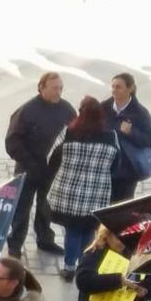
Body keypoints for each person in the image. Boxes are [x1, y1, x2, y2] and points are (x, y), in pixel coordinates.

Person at [47, 96, 122, 278]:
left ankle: (69, 267)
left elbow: (51, 158)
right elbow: (117, 165)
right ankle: (83, 262)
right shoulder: (111, 136)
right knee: (89, 229)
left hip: (68, 192)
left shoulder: (68, 133)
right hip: (96, 193)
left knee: (72, 230)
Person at [5, 73, 76, 258]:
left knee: (46, 206)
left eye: (60, 88)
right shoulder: (27, 111)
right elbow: (13, 142)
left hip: (52, 170)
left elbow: (74, 135)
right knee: (22, 208)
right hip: (28, 169)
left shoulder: (66, 110)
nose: (58, 92)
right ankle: (15, 245)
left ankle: (45, 239)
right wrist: (31, 163)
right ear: (41, 87)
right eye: (54, 88)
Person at [102, 73, 151, 202]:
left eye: (119, 87)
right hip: (105, 168)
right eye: (113, 86)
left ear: (130, 89)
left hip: (126, 172)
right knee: (103, 209)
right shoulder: (103, 108)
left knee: (122, 209)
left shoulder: (140, 113)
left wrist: (131, 132)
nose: (114, 90)